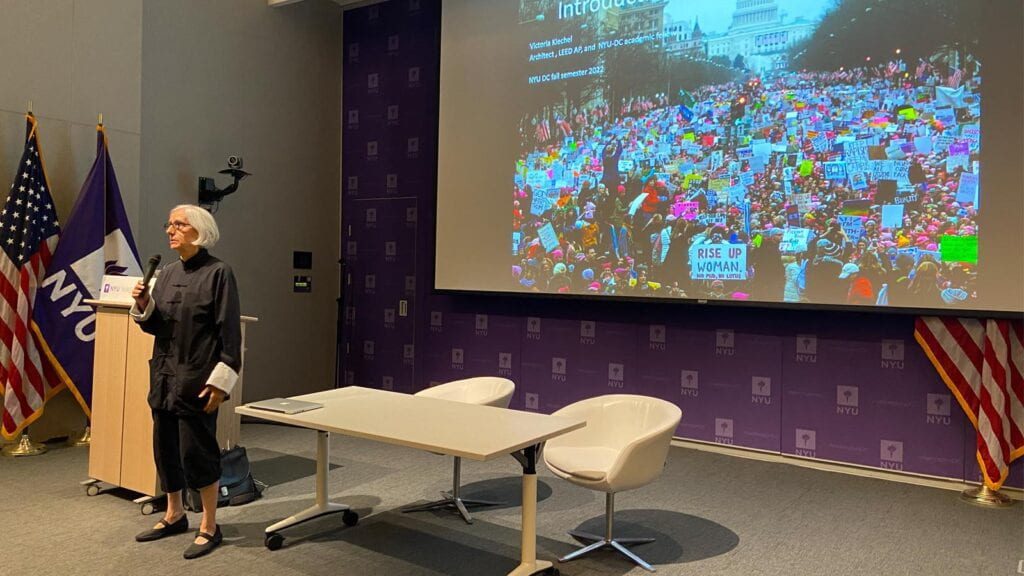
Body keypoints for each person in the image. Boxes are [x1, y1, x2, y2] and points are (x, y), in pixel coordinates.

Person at [131, 204, 242, 560]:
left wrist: (222, 382)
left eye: (179, 224)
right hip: (163, 375)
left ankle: (210, 525)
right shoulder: (163, 275)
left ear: (199, 230)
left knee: (198, 451)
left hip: (197, 377)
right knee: (165, 448)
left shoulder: (219, 273)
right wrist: (145, 305)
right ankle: (174, 514)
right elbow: (158, 326)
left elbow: (229, 333)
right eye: (170, 224)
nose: (170, 230)